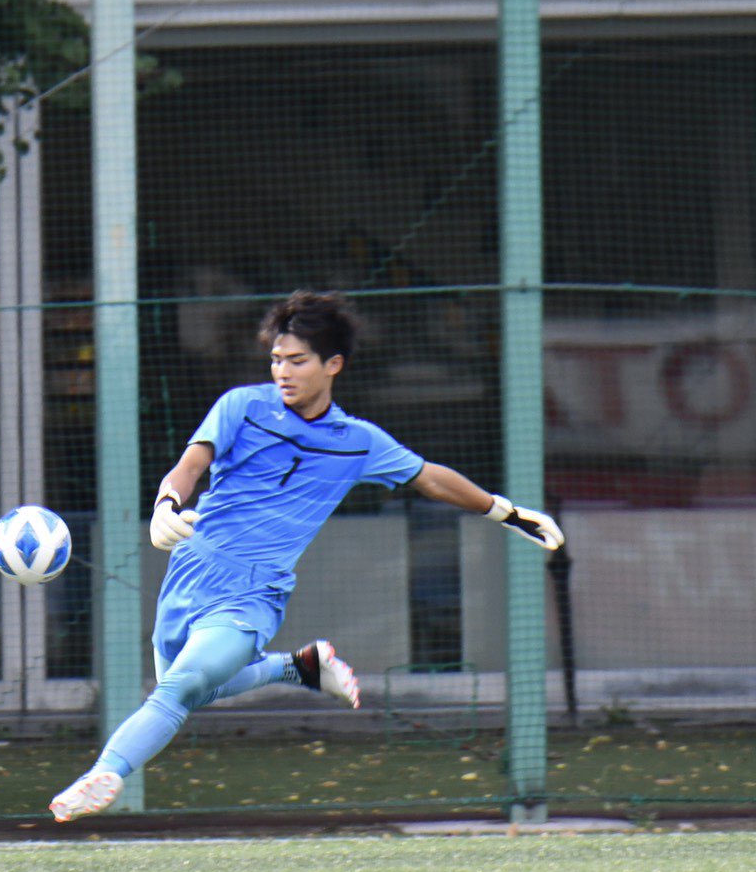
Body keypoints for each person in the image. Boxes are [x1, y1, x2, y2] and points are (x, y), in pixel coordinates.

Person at [49, 290, 564, 822]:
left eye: (297, 361)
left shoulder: (357, 441)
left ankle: (104, 773)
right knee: (196, 689)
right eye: (276, 359)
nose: (283, 371)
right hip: (189, 575)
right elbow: (191, 463)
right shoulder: (241, 407)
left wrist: (506, 511)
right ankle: (298, 667)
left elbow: (430, 477)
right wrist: (166, 502)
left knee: (180, 688)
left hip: (253, 593)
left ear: (332, 365)